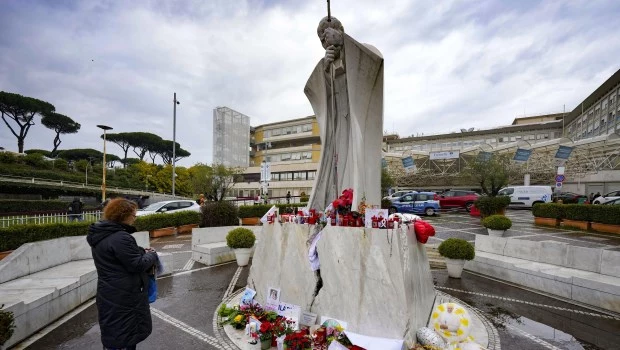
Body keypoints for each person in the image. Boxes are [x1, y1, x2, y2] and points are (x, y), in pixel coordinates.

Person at [305, 16, 384, 212]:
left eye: (327, 35)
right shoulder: (327, 63)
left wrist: (343, 42)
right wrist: (325, 71)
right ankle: (338, 205)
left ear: (339, 30)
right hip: (339, 125)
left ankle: (358, 206)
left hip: (357, 120)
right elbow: (319, 93)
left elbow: (375, 62)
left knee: (356, 162)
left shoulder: (361, 50)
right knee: (338, 166)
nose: (326, 42)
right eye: (322, 40)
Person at [87, 198, 158, 350]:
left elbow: (117, 259)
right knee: (126, 335)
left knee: (115, 334)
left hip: (110, 292)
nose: (135, 218)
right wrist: (152, 255)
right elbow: (137, 264)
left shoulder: (101, 235)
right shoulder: (121, 237)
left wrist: (139, 252)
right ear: (123, 215)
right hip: (125, 296)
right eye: (133, 215)